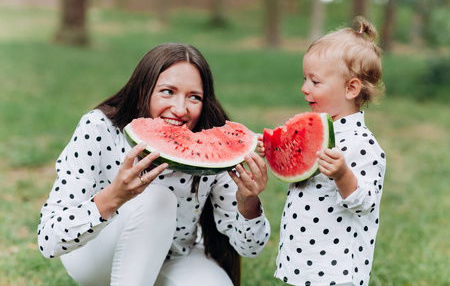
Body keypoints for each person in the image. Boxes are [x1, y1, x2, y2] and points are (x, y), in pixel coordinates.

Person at [38, 42, 271, 286]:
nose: (180, 109)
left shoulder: (214, 145)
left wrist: (248, 202)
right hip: (97, 255)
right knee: (158, 198)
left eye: (194, 97)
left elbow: (250, 248)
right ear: (142, 93)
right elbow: (48, 240)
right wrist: (114, 197)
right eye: (167, 92)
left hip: (176, 255)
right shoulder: (98, 128)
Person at [258, 17, 386, 286]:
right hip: (301, 257)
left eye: (315, 82)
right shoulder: (316, 130)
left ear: (351, 88)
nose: (305, 88)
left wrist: (342, 175)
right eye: (304, 79)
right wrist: (273, 148)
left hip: (335, 269)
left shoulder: (362, 144)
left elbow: (368, 202)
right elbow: (298, 170)